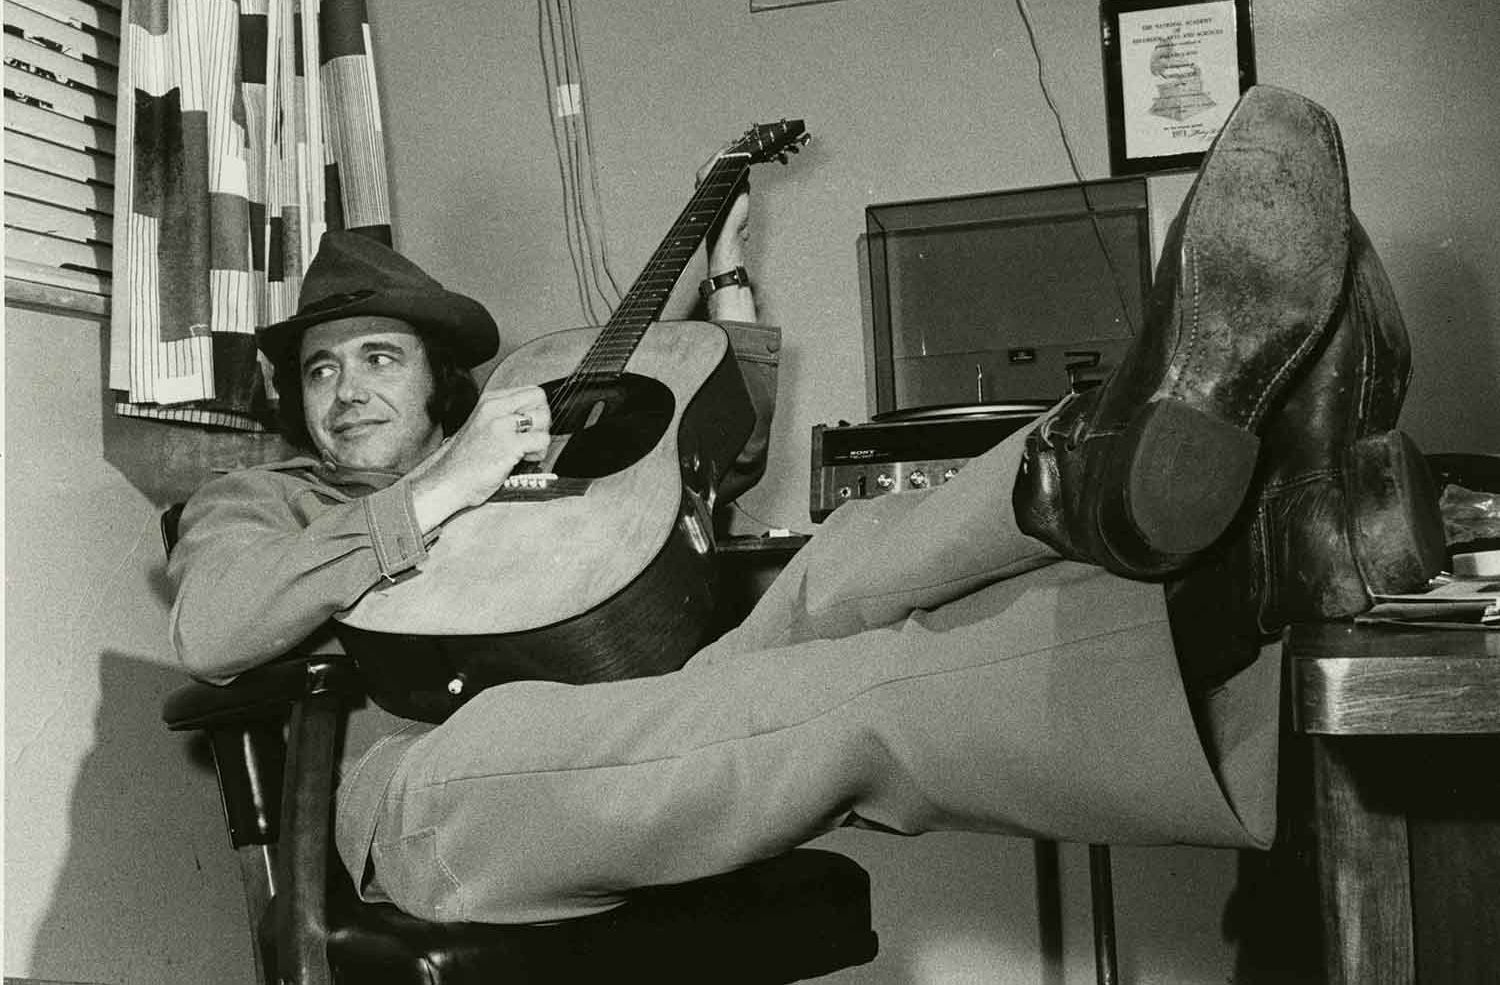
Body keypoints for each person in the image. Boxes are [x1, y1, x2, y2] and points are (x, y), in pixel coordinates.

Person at [168, 85, 1442, 925]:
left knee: (848, 564)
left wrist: (724, 301)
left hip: (636, 700)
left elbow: (688, 453)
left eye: (379, 357)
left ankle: (1137, 483)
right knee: (842, 698)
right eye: (323, 368)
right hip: (433, 792)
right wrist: (434, 493)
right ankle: (1255, 558)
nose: (344, 390)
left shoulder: (515, 428)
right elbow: (215, 628)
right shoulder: (265, 500)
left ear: (439, 375)